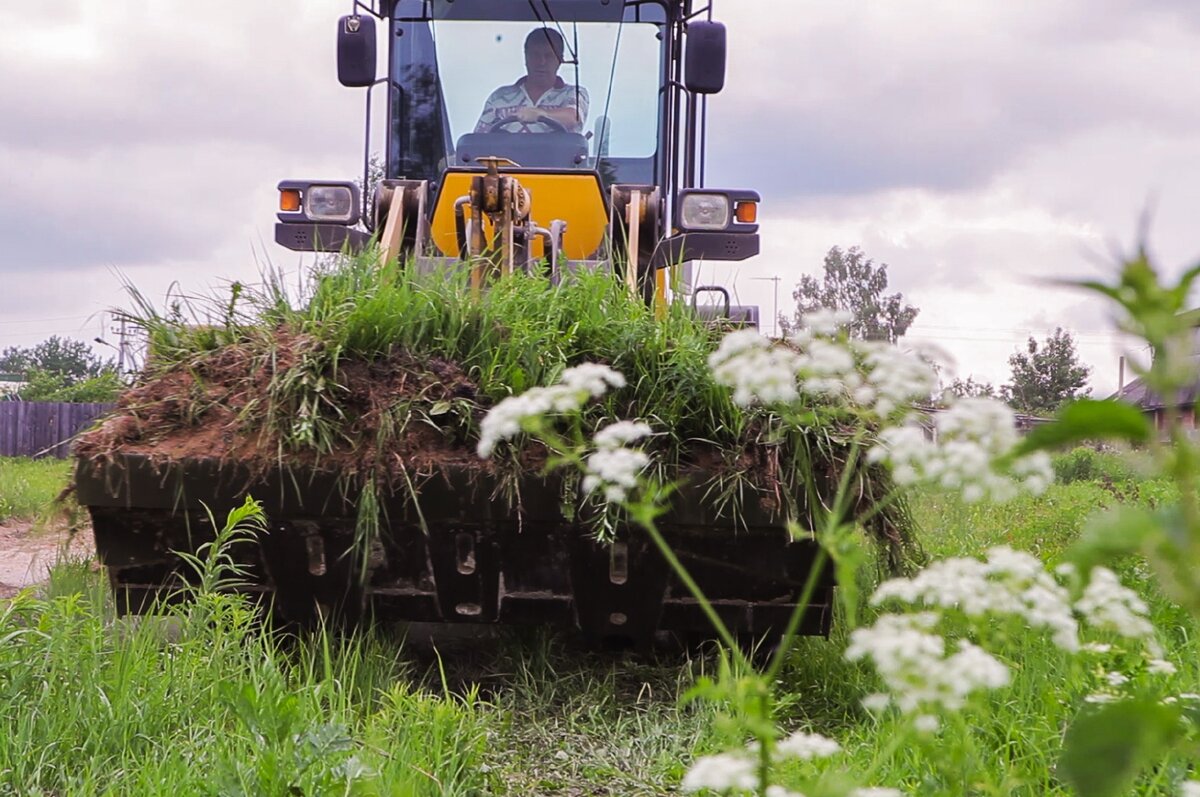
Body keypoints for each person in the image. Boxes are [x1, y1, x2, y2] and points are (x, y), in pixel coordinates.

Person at [474, 28, 589, 134]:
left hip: (557, 157)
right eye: (535, 55)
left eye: (548, 56)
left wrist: (541, 114)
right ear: (526, 57)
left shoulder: (574, 93)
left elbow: (573, 118)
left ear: (560, 60)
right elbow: (478, 142)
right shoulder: (498, 98)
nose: (541, 62)